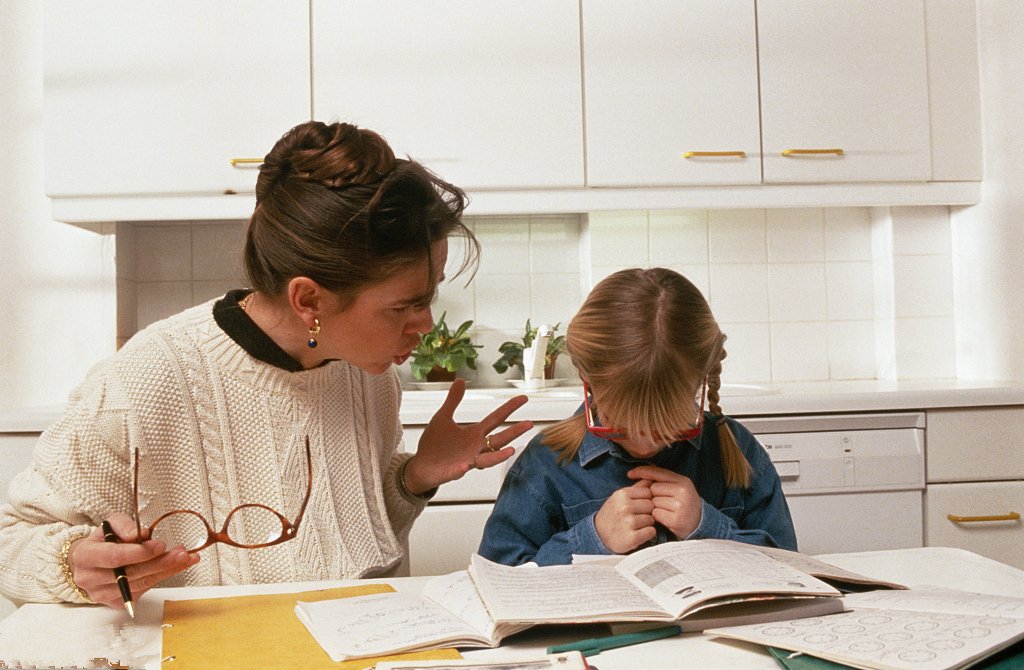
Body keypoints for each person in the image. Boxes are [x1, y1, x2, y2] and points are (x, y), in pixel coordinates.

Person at [0, 120, 531, 610]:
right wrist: (72, 566)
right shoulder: (149, 376)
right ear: (308, 300)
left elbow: (347, 549)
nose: (425, 323)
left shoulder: (368, 376)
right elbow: (12, 542)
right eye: (404, 305)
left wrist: (413, 479)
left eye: (429, 295)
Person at [477, 267, 796, 566]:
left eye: (666, 428)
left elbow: (791, 569)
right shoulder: (546, 464)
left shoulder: (739, 452)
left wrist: (708, 527)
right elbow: (498, 577)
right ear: (587, 381)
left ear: (701, 383)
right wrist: (590, 538)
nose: (644, 446)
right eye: (622, 427)